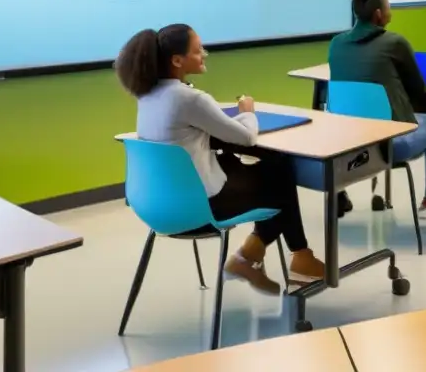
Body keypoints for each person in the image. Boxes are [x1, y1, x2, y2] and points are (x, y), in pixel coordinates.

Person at [115, 23, 325, 295]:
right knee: (280, 174)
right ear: (177, 60)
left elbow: (208, 129)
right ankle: (293, 259)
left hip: (157, 205)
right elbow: (247, 138)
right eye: (197, 49)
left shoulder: (147, 95)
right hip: (200, 208)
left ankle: (254, 256)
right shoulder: (190, 98)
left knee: (264, 171)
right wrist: (248, 111)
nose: (204, 54)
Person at [327, 0, 426, 219]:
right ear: (379, 15)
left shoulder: (336, 44)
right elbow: (417, 90)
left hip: (347, 146)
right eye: (389, 7)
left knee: (422, 123)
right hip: (389, 146)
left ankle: (341, 193)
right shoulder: (394, 43)